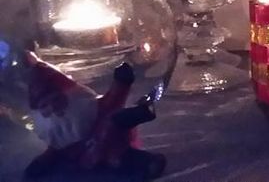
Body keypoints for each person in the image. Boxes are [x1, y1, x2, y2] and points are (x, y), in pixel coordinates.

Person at [25, 52, 166, 180]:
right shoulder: (61, 141)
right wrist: (41, 164)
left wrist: (122, 82)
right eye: (45, 107)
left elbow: (114, 100)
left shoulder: (93, 110)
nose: (54, 110)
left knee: (120, 153)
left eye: (57, 101)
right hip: (84, 164)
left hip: (112, 147)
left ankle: (145, 163)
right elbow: (53, 152)